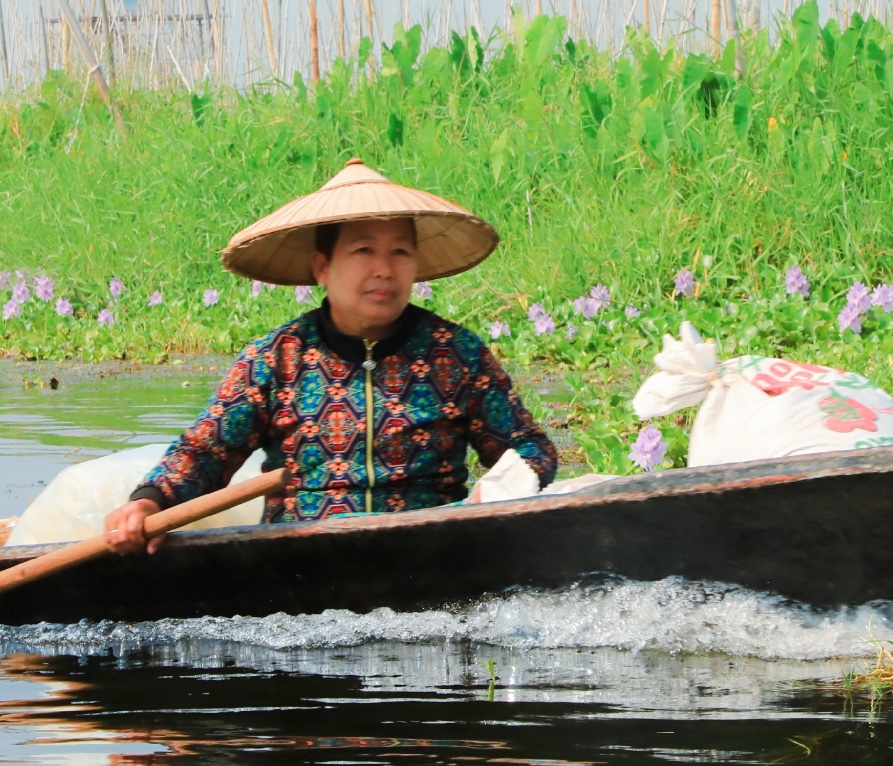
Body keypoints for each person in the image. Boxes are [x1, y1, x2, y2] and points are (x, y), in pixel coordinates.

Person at [103, 159, 557, 555]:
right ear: (323, 267)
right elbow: (203, 453)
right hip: (301, 561)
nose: (385, 269)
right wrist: (148, 501)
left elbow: (532, 450)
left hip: (431, 547)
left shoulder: (457, 354)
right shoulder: (274, 359)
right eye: (364, 250)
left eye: (400, 251)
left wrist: (491, 494)